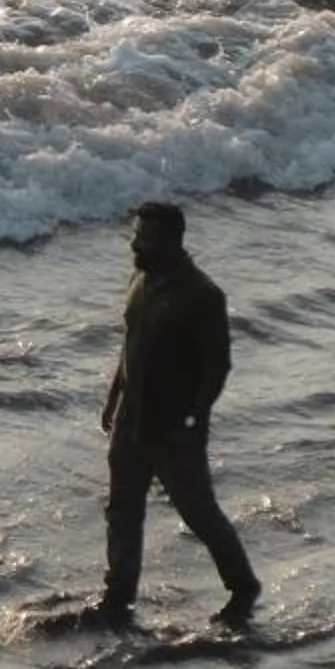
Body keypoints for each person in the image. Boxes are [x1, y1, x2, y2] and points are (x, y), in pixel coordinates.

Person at [82, 200, 260, 630]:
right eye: (136, 233)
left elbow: (218, 367)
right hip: (130, 419)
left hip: (173, 427)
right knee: (122, 509)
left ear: (169, 240)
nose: (134, 242)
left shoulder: (202, 295)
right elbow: (129, 347)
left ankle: (242, 585)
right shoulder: (140, 279)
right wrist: (112, 399)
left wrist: (194, 419)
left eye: (143, 236)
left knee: (198, 513)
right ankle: (118, 594)